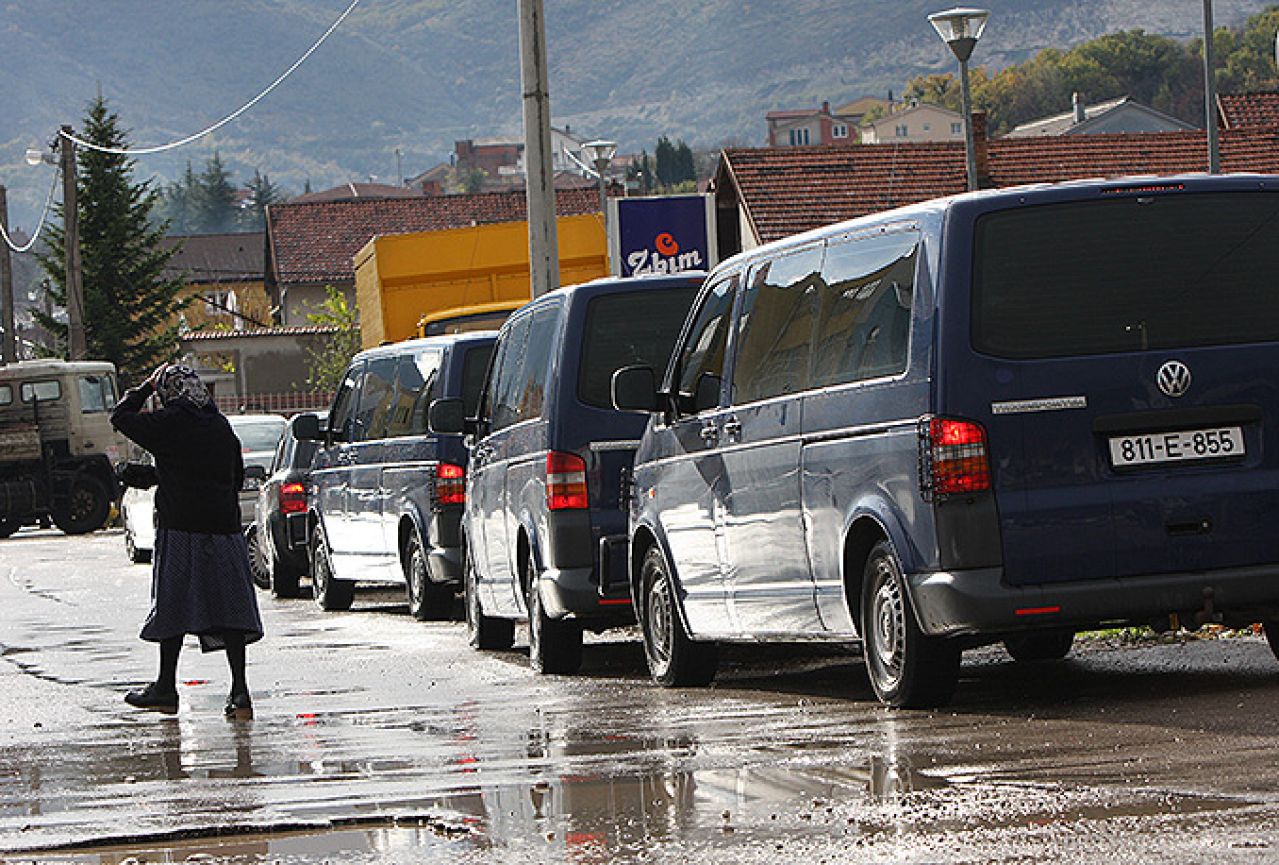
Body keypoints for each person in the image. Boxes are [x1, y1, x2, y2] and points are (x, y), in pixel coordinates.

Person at [111, 364, 263, 718]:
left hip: (181, 530)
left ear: (168, 392)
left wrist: (146, 386)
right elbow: (229, 478)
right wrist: (156, 476)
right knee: (230, 611)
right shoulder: (220, 427)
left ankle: (166, 687)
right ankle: (240, 692)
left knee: (173, 607)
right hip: (224, 533)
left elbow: (121, 416)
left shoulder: (170, 423)